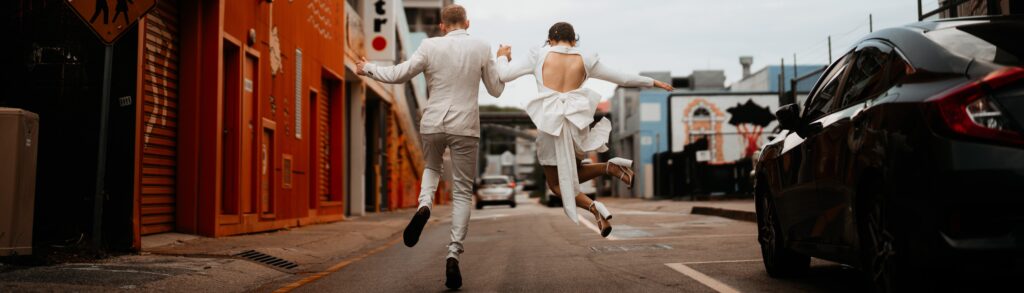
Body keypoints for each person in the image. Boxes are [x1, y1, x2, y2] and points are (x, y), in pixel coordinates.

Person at [356, 4, 504, 290]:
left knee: (431, 167)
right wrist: (501, 58)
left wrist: (368, 69)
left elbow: (399, 74)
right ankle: (453, 254)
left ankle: (425, 204)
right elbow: (496, 89)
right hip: (465, 127)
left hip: (433, 123)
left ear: (442, 26)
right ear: (468, 23)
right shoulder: (482, 46)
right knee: (462, 191)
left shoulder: (428, 46)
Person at [494, 22, 673, 236]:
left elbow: (503, 75)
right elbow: (623, 78)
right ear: (574, 40)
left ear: (550, 40)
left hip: (552, 125)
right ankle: (610, 168)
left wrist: (502, 55)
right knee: (574, 173)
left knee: (557, 185)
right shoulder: (586, 59)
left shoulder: (539, 55)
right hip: (576, 125)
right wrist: (653, 82)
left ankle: (595, 206)